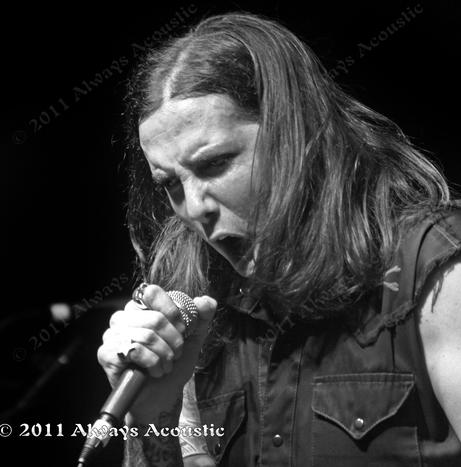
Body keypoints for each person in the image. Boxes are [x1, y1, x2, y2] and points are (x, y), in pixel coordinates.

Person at [96, 12, 461, 467]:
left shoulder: (435, 272)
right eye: (170, 183)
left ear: (297, 133)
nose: (194, 207)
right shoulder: (196, 308)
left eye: (214, 164)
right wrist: (152, 417)